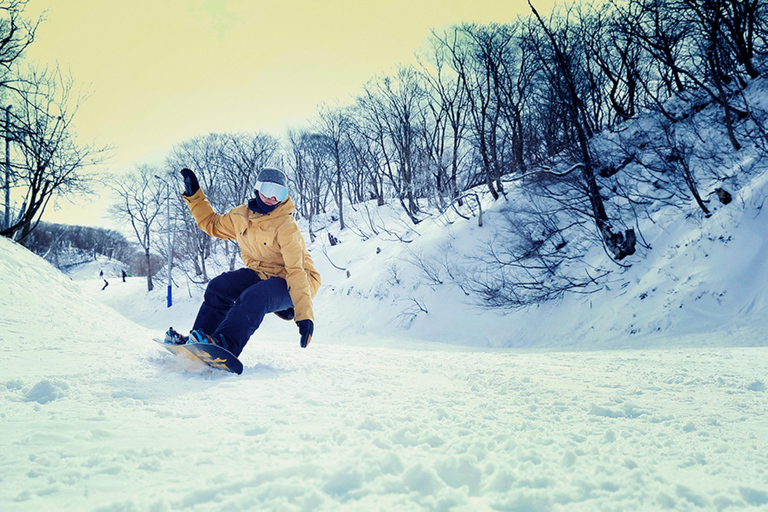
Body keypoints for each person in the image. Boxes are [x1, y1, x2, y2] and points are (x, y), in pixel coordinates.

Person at [164, 167, 321, 357]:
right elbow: (212, 224)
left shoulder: (286, 225)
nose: (273, 198)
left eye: (279, 193)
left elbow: (296, 271)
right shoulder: (241, 216)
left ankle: (226, 345)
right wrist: (195, 196)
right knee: (219, 287)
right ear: (257, 188)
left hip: (295, 281)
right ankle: (200, 340)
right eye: (268, 190)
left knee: (254, 296)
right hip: (261, 274)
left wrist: (305, 314)